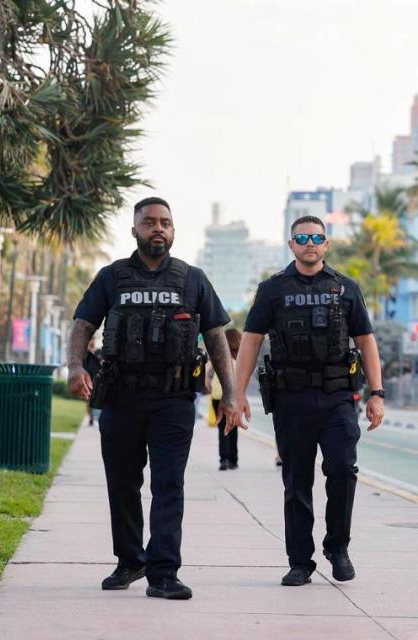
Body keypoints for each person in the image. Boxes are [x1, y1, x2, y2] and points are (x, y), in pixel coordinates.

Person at [66, 197, 234, 600]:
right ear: (135, 230)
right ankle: (130, 561)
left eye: (165, 223)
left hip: (174, 400)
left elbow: (216, 339)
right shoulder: (112, 277)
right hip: (122, 396)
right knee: (122, 483)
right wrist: (75, 367)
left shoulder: (192, 279)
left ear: (173, 231)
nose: (158, 228)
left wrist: (231, 394)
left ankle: (163, 573)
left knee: (168, 484)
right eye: (150, 222)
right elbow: (82, 324)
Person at [225, 215, 384, 587]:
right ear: (291, 245)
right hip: (292, 398)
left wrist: (376, 394)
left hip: (338, 397)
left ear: (326, 245)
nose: (310, 243)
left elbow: (365, 341)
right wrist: (237, 393)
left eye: (317, 238)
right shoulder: (272, 290)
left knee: (343, 469)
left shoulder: (346, 288)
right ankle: (300, 561)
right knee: (297, 480)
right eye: (302, 238)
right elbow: (251, 340)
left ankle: (338, 547)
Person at [207, 328, 243, 470]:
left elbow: (206, 369)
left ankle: (223, 460)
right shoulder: (239, 359)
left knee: (222, 428)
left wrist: (207, 383)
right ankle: (233, 460)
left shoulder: (218, 357)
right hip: (233, 396)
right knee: (233, 427)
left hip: (217, 395)